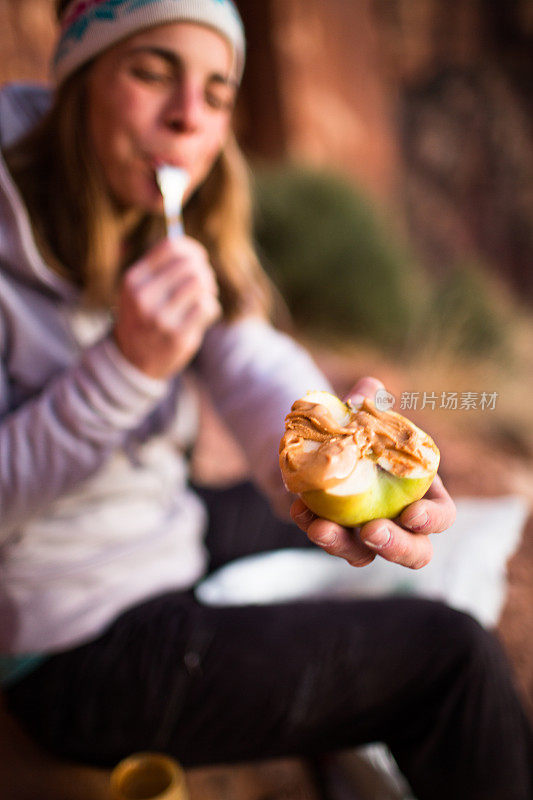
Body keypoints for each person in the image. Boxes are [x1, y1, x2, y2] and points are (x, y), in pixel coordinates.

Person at [0, 1, 531, 798]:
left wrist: (320, 437)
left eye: (216, 94)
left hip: (153, 524)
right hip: (70, 643)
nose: (188, 118)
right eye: (150, 72)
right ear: (77, 83)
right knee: (449, 660)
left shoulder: (156, 216)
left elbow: (248, 361)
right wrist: (124, 369)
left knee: (332, 522)